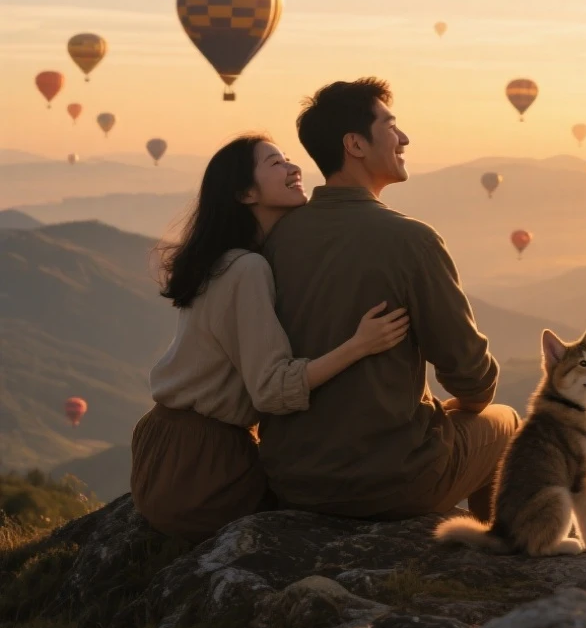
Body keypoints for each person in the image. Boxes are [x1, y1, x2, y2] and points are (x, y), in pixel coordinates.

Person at [259, 78, 520, 519]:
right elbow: (471, 377)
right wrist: (461, 410)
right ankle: (497, 558)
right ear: (355, 144)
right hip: (393, 481)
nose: (404, 139)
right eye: (391, 126)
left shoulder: (275, 237)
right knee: (508, 421)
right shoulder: (410, 240)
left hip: (291, 478)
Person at [131, 134, 408, 541]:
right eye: (275, 163)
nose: (293, 168)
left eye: (290, 159)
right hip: (206, 468)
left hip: (164, 451)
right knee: (355, 501)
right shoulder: (247, 269)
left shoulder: (221, 261)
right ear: (245, 192)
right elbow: (272, 390)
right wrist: (359, 345)